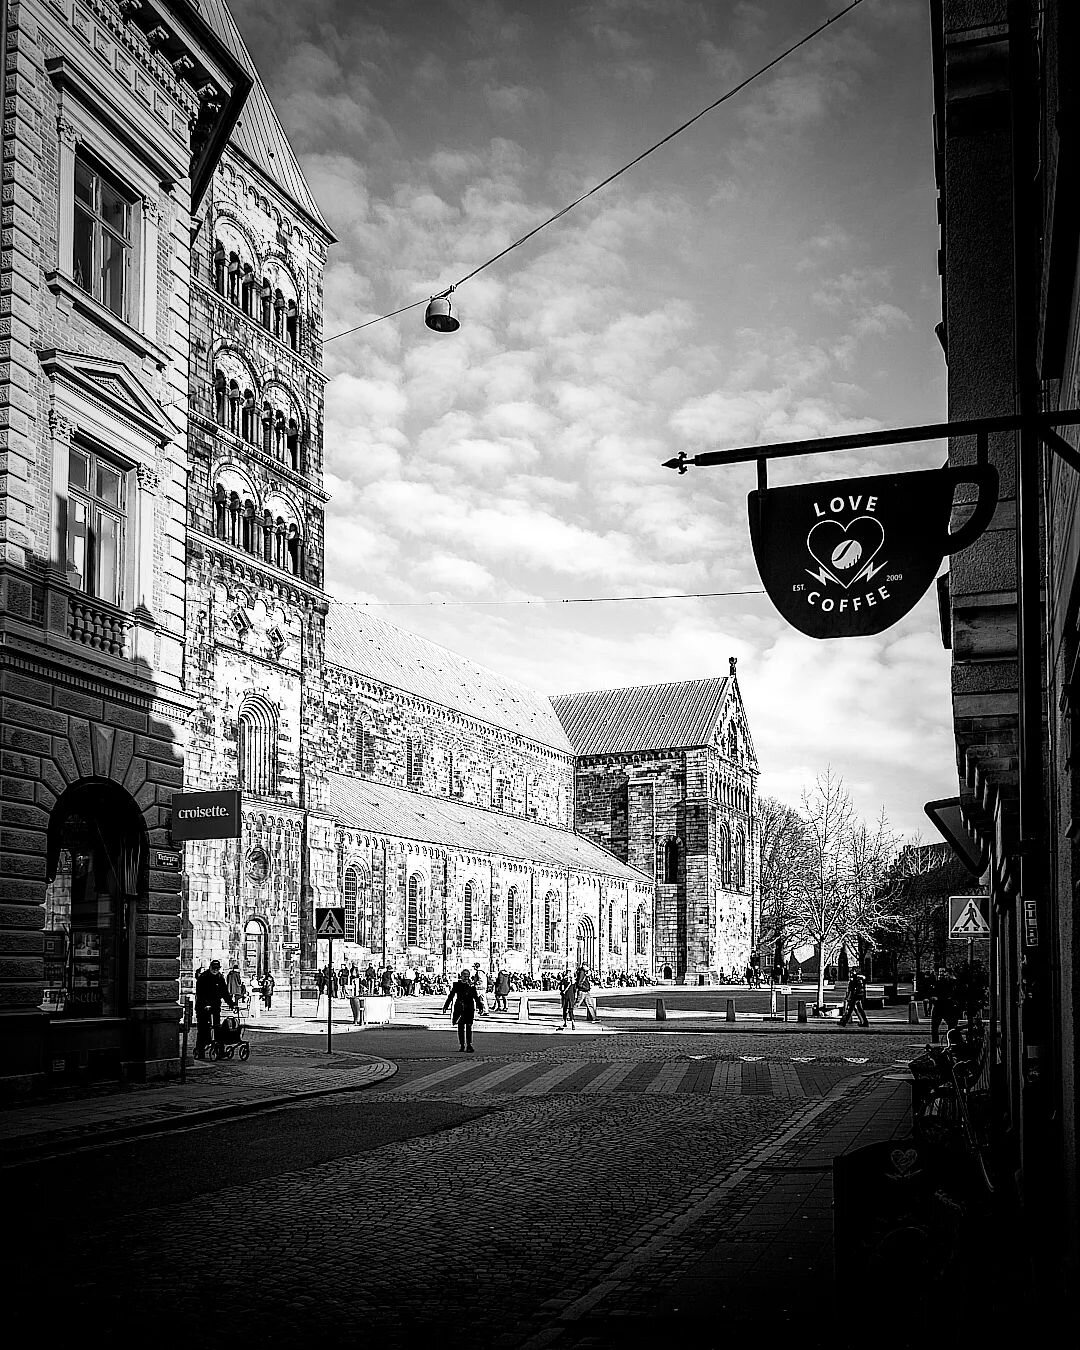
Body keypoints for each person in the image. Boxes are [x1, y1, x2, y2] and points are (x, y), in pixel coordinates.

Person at [194, 959, 236, 1058]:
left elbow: (224, 992)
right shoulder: (203, 977)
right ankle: (200, 1051)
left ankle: (220, 1052)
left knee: (217, 1029)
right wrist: (205, 1004)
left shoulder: (220, 977)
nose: (215, 970)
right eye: (214, 968)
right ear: (210, 967)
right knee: (203, 1029)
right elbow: (200, 993)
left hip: (215, 1007)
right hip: (203, 1008)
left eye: (217, 968)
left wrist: (231, 1004)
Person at [443, 967, 481, 1052]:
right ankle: (462, 1045)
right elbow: (451, 995)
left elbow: (476, 997)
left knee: (468, 1027)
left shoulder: (471, 986)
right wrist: (446, 1006)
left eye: (467, 976)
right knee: (460, 1027)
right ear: (461, 976)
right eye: (464, 975)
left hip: (469, 1008)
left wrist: (480, 1007)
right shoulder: (457, 985)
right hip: (459, 1008)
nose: (466, 977)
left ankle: (469, 1045)